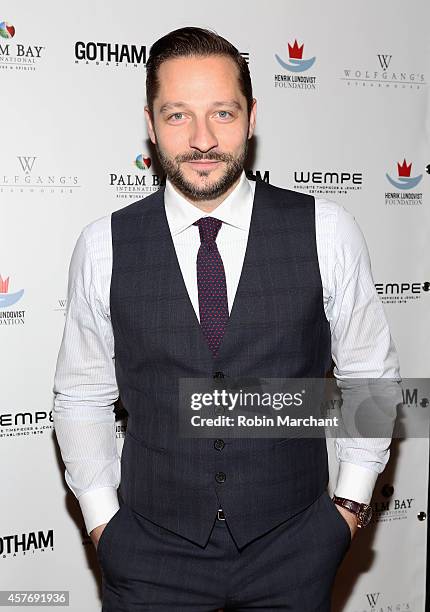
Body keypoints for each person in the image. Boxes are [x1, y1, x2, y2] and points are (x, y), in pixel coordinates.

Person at [53, 26, 401, 611]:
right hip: (147, 555)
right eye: (177, 115)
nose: (203, 139)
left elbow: (372, 376)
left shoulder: (327, 230)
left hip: (296, 547)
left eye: (222, 112)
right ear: (150, 122)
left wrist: (348, 510)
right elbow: (82, 394)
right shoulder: (103, 246)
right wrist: (102, 523)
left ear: (252, 115)